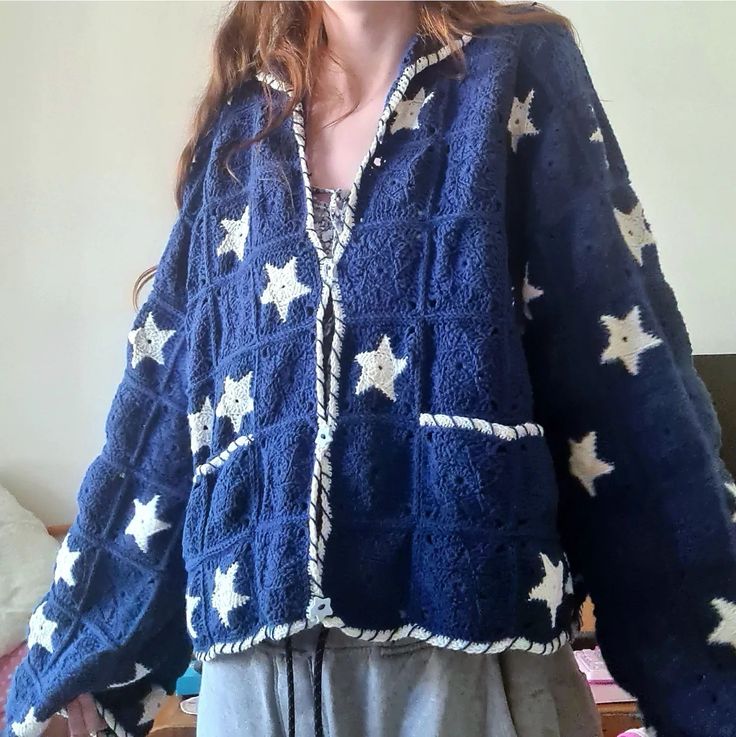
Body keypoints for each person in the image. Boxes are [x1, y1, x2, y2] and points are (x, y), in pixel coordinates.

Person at [5, 2, 736, 736]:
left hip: (467, 674)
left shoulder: (517, 74)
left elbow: (632, 398)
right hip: (250, 691)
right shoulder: (240, 130)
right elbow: (163, 408)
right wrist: (76, 655)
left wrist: (708, 687)